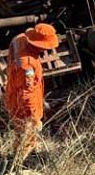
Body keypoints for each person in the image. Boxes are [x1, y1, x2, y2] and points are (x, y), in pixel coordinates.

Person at [5, 23, 59, 167]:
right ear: (38, 45)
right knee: (26, 138)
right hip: (22, 107)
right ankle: (19, 167)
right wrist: (33, 117)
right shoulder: (27, 65)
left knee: (20, 135)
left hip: (14, 94)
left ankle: (18, 158)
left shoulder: (19, 39)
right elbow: (26, 95)